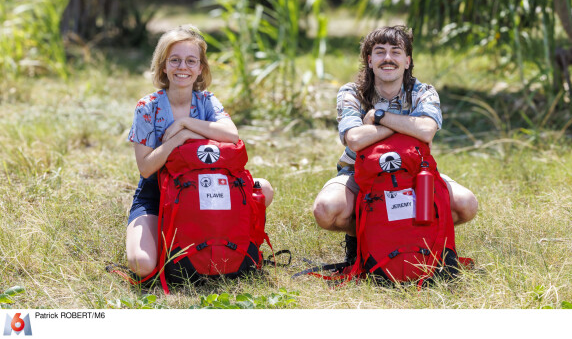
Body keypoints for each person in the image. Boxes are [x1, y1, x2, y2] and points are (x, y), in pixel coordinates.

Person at [312, 25, 478, 264]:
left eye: (395, 51)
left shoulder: (423, 92)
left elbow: (426, 130)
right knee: (326, 211)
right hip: (359, 173)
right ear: (369, 61)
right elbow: (355, 139)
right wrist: (407, 125)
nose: (387, 58)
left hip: (415, 172)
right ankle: (360, 238)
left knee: (466, 205)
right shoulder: (351, 92)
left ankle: (421, 237)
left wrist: (378, 117)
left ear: (407, 61)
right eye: (379, 52)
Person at [126, 24, 274, 278]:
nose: (182, 67)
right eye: (175, 60)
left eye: (191, 61)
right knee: (143, 265)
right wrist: (176, 140)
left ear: (200, 69)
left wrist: (184, 126)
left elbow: (231, 135)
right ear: (163, 66)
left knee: (265, 189)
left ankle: (206, 233)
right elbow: (146, 167)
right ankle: (159, 233)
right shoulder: (147, 107)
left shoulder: (206, 100)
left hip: (206, 187)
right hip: (158, 193)